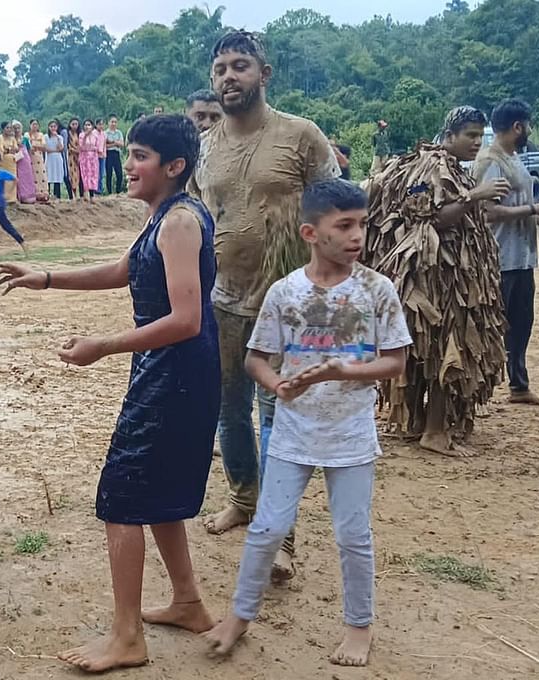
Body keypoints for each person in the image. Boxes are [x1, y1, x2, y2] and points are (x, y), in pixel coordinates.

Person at [0, 114, 219, 673]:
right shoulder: (162, 217)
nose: (130, 163)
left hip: (176, 375)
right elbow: (125, 269)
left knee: (120, 497)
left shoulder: (180, 223)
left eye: (140, 155)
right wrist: (44, 278)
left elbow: (186, 319)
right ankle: (188, 603)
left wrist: (105, 345)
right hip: (169, 372)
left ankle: (127, 637)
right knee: (156, 491)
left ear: (174, 166)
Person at [203, 179, 410, 668]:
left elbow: (396, 361)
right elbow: (257, 359)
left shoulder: (378, 291)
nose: (357, 235)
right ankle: (239, 615)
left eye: (362, 224)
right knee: (267, 528)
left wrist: (345, 370)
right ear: (311, 233)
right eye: (345, 225)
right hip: (293, 433)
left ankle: (359, 626)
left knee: (354, 535)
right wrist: (276, 386)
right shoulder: (285, 292)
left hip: (350, 435)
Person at [191, 32, 339, 589]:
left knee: (278, 417)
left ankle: (281, 538)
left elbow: (337, 207)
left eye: (240, 66)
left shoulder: (301, 136)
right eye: (221, 68)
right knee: (229, 412)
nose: (229, 76)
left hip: (290, 305)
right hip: (223, 300)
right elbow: (202, 217)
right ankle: (243, 499)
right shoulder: (206, 147)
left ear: (264, 73)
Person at [363, 106, 510, 455]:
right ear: (449, 135)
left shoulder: (443, 167)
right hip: (435, 278)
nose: (476, 142)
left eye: (479, 135)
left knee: (422, 348)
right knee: (446, 344)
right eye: (469, 135)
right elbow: (430, 217)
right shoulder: (434, 165)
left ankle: (417, 422)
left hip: (434, 277)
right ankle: (434, 430)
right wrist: (475, 195)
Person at [473, 98, 539, 407]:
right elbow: (487, 212)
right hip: (499, 259)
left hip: (521, 259)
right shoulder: (491, 162)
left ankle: (519, 386)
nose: (529, 130)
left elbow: (518, 208)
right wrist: (536, 208)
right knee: (491, 328)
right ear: (518, 126)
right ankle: (476, 392)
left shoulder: (513, 159)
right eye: (527, 124)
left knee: (521, 325)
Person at [0, 123, 22, 204]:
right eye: (7, 128)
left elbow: (16, 149)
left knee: (12, 178)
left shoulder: (13, 138)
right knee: (4, 179)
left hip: (12, 161)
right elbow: (1, 149)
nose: (9, 129)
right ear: (3, 129)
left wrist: (9, 149)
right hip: (3, 161)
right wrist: (9, 149)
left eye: (10, 128)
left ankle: (12, 198)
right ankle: (3, 197)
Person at [79, 118, 103, 202]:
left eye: (89, 125)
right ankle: (85, 194)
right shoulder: (81, 135)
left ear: (92, 126)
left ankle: (92, 195)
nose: (87, 126)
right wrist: (86, 135)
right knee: (85, 175)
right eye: (85, 125)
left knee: (93, 175)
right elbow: (81, 146)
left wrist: (92, 148)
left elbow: (98, 147)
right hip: (84, 158)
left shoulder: (95, 136)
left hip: (93, 158)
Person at [28, 119, 49, 203]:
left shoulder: (41, 135)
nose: (35, 126)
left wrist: (35, 146)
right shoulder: (27, 135)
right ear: (30, 125)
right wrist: (37, 146)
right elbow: (28, 146)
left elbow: (44, 147)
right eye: (33, 124)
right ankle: (35, 194)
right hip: (31, 157)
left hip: (39, 157)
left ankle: (44, 193)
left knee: (42, 174)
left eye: (36, 124)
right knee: (33, 175)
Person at [45, 119, 67, 199]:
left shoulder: (60, 137)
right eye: (51, 126)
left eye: (54, 126)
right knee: (49, 175)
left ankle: (57, 195)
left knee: (57, 176)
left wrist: (57, 138)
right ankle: (47, 194)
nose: (53, 128)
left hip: (58, 158)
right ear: (48, 127)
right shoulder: (46, 137)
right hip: (50, 158)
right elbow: (46, 149)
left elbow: (61, 148)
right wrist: (55, 150)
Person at [104, 116, 126, 194]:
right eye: (112, 122)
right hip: (108, 154)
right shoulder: (105, 133)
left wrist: (112, 142)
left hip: (116, 154)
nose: (113, 124)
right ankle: (109, 192)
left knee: (119, 173)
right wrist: (115, 143)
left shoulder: (119, 132)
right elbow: (104, 146)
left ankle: (118, 191)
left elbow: (122, 144)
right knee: (109, 174)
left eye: (115, 122)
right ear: (108, 123)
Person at [66, 117, 83, 199]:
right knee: (72, 175)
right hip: (71, 157)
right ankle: (74, 194)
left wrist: (79, 151)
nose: (75, 126)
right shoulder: (68, 134)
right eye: (73, 124)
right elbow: (68, 146)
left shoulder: (80, 134)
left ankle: (81, 194)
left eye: (76, 124)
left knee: (80, 175)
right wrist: (76, 150)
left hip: (80, 157)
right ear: (70, 125)